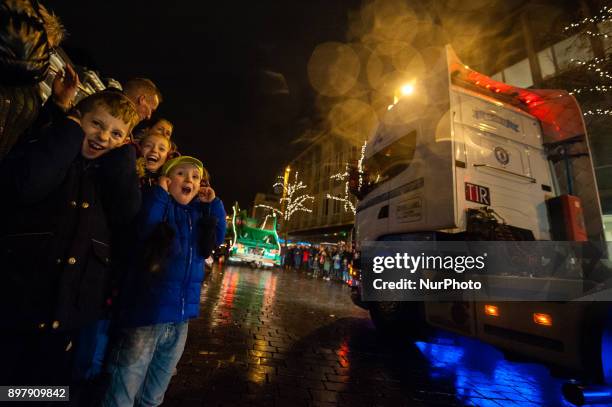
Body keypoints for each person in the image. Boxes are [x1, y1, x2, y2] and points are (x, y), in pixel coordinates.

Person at [0, 90, 141, 385]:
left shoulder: (110, 173)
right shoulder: (50, 149)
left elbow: (127, 213)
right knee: (10, 389)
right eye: (97, 124)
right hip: (18, 304)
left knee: (51, 391)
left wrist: (124, 157)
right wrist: (67, 130)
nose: (104, 137)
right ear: (78, 119)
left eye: (116, 133)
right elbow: (28, 184)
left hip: (69, 315)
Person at [102, 156, 226, 407]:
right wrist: (159, 192)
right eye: (181, 174)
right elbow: (146, 224)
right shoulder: (160, 204)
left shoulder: (197, 216)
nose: (189, 180)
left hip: (180, 317)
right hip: (147, 313)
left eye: (195, 177)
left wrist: (213, 205)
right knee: (126, 378)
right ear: (167, 180)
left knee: (158, 383)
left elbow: (217, 236)